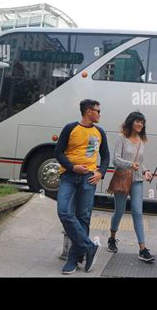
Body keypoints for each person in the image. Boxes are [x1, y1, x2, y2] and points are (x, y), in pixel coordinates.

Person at [55, 99, 110, 274]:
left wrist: (101, 172)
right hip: (69, 176)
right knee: (64, 211)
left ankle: (74, 259)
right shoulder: (70, 128)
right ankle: (89, 247)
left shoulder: (100, 131)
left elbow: (105, 155)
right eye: (98, 111)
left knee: (83, 217)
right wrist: (72, 167)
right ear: (88, 111)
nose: (100, 114)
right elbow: (58, 152)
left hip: (88, 178)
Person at [107, 112, 155, 262]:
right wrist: (130, 165)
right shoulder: (121, 138)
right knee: (119, 211)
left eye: (142, 122)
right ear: (131, 122)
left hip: (137, 180)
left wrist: (145, 170)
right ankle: (112, 238)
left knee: (137, 212)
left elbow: (139, 162)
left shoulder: (141, 140)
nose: (140, 124)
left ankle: (142, 249)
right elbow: (115, 160)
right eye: (138, 122)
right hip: (122, 178)